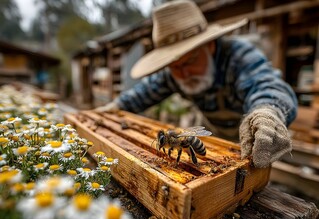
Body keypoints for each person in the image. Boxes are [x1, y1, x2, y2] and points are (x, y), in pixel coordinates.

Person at [95, 0, 298, 168]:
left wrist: (266, 113)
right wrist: (116, 106)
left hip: (250, 143)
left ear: (209, 45)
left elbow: (268, 85)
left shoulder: (239, 56)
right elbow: (142, 93)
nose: (183, 73)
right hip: (210, 138)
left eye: (190, 60)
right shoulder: (172, 75)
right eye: (173, 66)